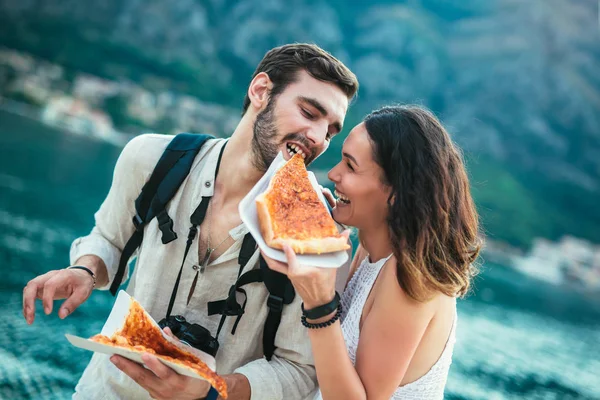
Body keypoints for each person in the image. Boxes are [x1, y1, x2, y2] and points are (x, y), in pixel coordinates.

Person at [21, 43, 359, 400]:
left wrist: (212, 390)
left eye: (331, 131)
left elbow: (300, 370)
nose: (319, 139)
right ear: (260, 91)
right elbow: (109, 239)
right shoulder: (151, 157)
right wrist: (85, 271)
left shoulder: (319, 232)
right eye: (309, 112)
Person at [264, 105, 482, 399]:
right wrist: (321, 237)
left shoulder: (411, 277)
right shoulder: (370, 249)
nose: (332, 174)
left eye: (350, 166)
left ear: (395, 194)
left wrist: (318, 306)